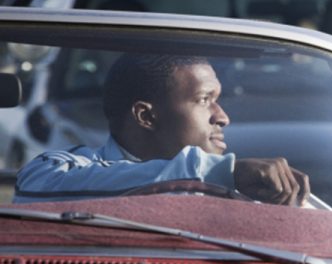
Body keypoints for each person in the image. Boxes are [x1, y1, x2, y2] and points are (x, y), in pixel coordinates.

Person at [14, 53, 309, 206]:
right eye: (205, 100)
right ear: (146, 116)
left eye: (217, 101)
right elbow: (36, 189)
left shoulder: (247, 190)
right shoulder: (60, 170)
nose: (222, 117)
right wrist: (219, 174)